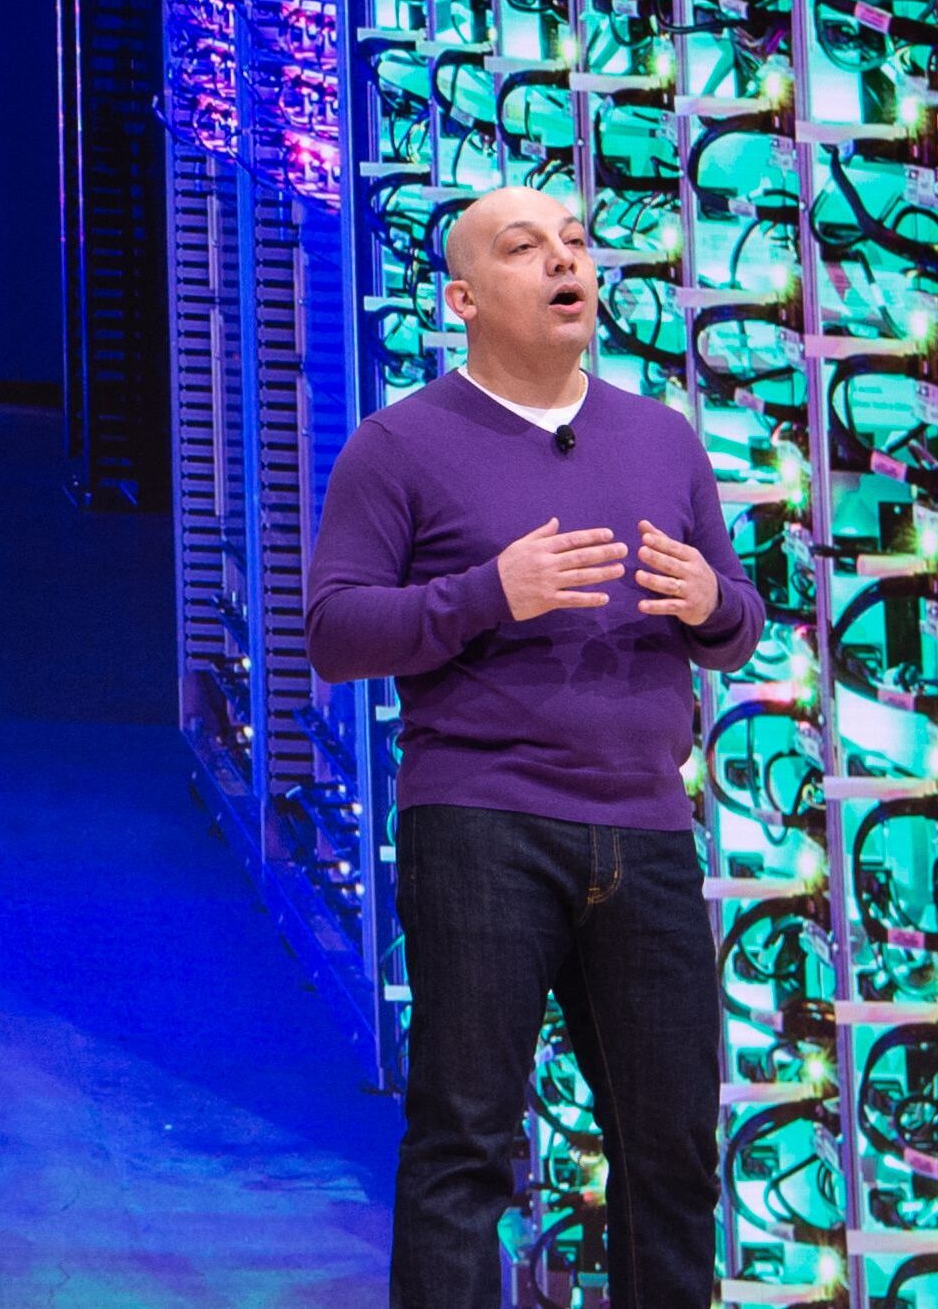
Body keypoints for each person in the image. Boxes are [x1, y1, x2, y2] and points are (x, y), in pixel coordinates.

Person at [306, 183, 762, 1309]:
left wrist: (711, 600)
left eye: (574, 243)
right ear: (464, 297)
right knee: (464, 1145)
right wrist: (485, 594)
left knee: (672, 1156)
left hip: (645, 833)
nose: (564, 261)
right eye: (525, 248)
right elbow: (333, 630)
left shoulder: (660, 439)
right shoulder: (399, 446)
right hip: (481, 825)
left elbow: (739, 624)